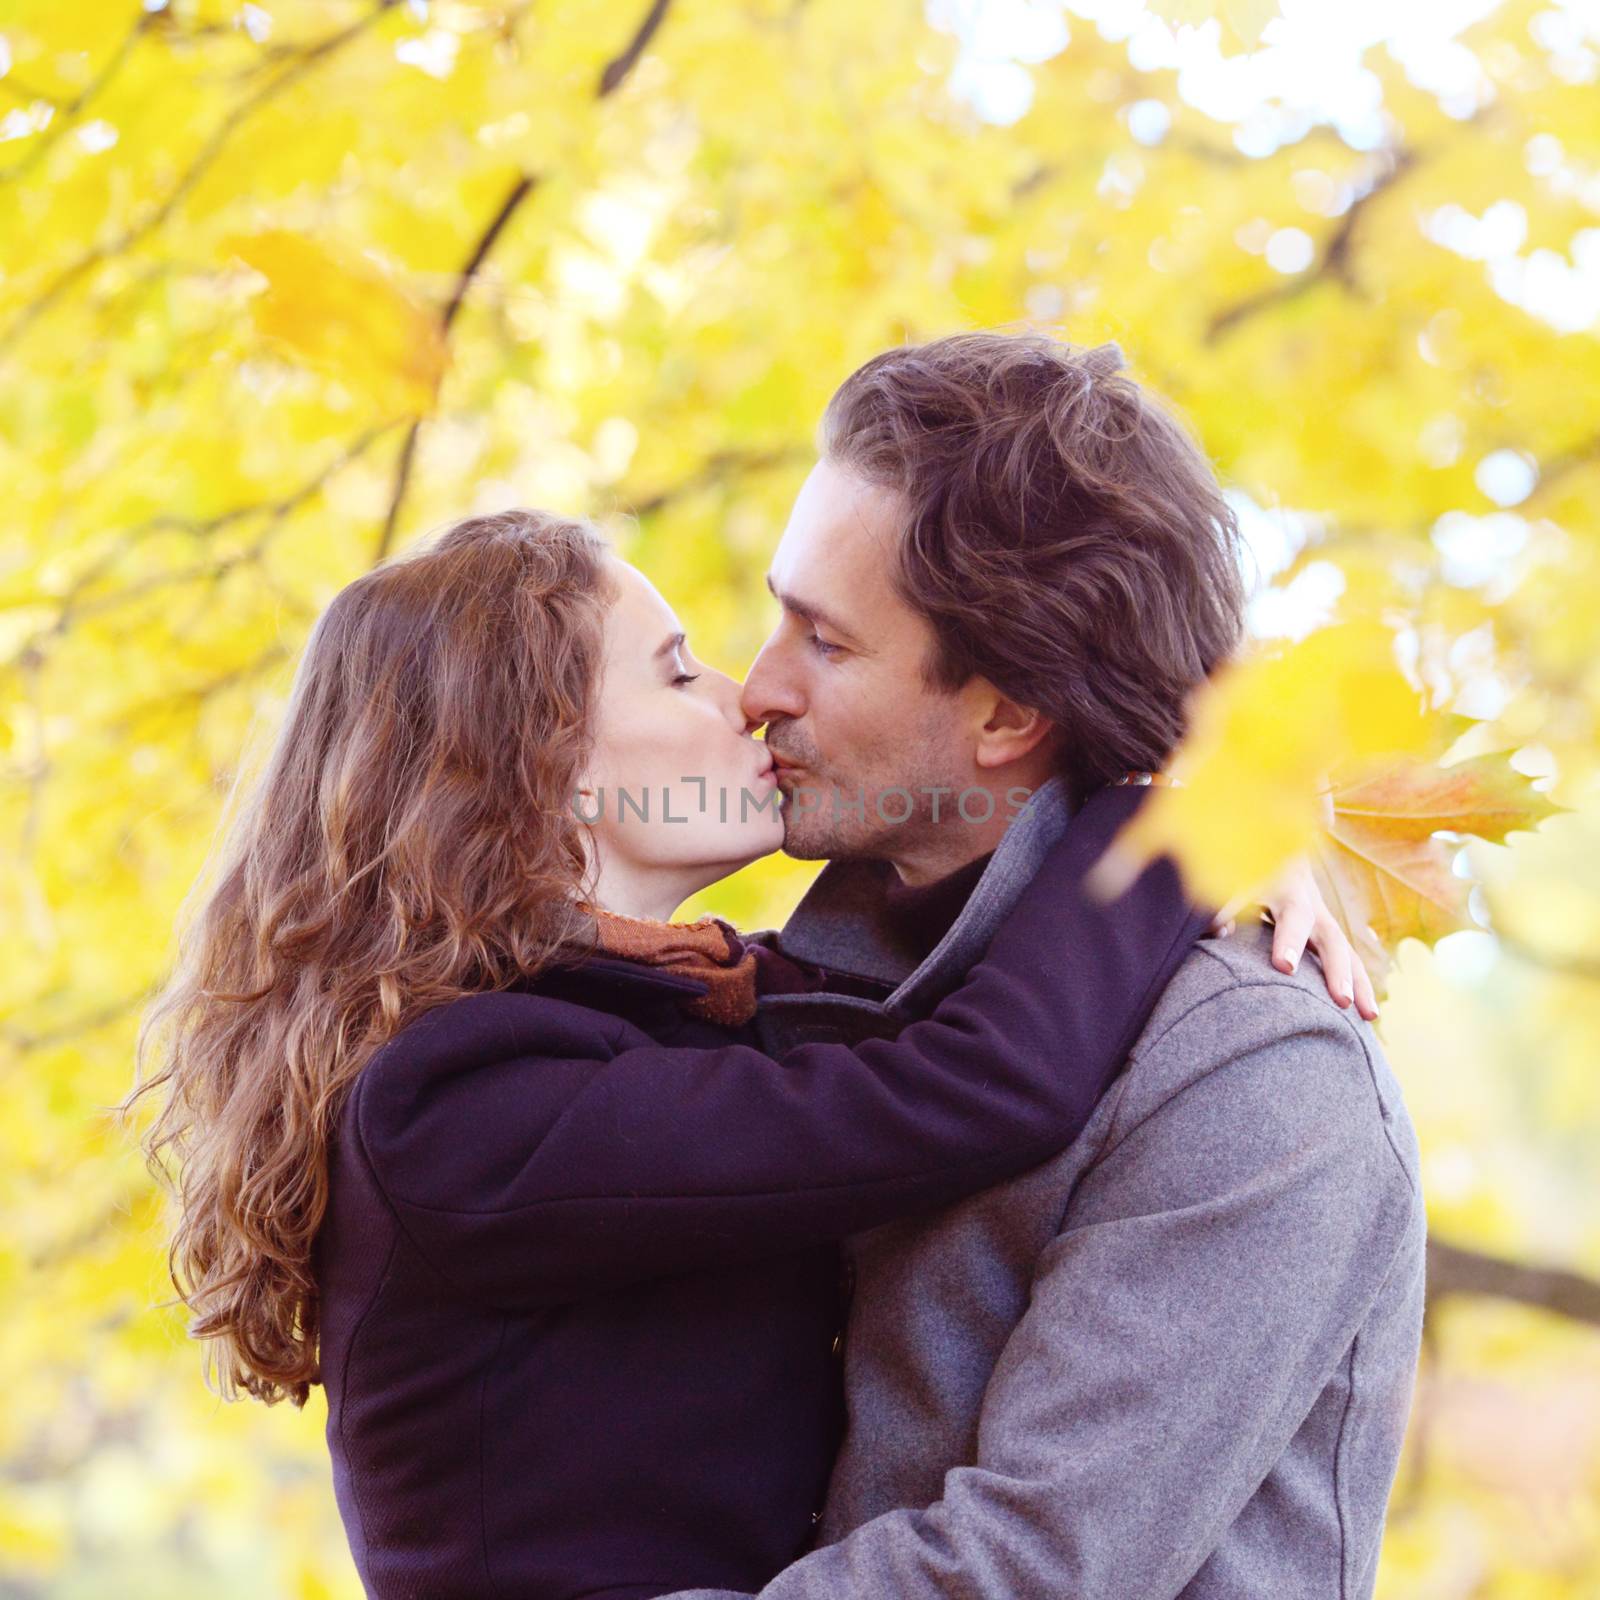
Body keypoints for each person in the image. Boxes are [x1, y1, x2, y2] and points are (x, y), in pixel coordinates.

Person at [120, 506, 1356, 1600]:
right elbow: (972, 1084)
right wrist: (1174, 824)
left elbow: (929, 1003)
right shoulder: (463, 1108)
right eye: (676, 673)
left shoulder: (647, 1016)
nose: (744, 697)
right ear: (544, 775)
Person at [667, 332, 1424, 1600]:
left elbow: (1021, 1573)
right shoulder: (817, 995)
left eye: (825, 641)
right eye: (775, 616)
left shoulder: (1251, 1074)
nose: (755, 689)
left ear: (1009, 713)